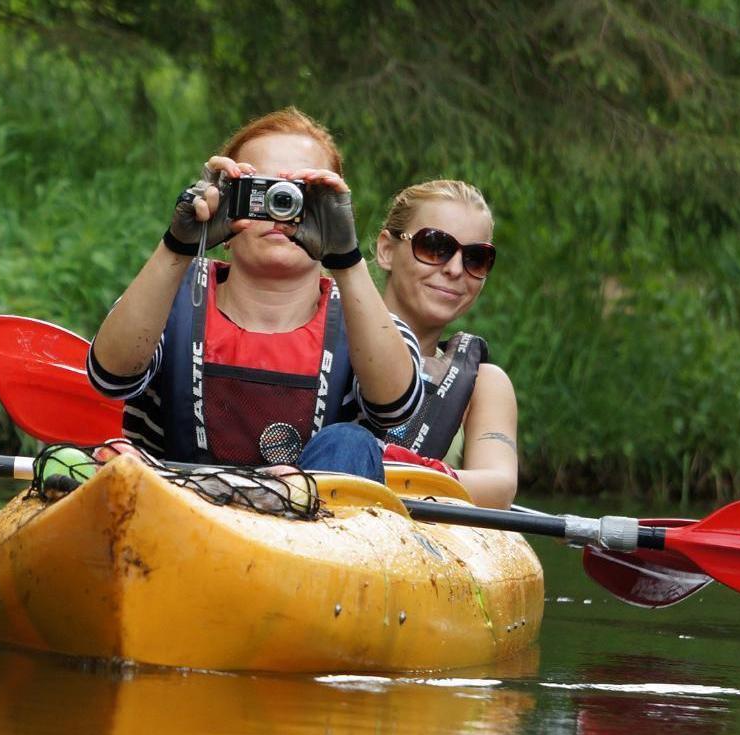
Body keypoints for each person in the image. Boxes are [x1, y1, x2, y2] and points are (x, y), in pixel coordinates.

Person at [86, 108, 422, 482]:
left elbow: (395, 409)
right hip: (178, 519)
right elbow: (110, 378)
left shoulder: (369, 322)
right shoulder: (170, 295)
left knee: (350, 441)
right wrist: (179, 245)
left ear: (334, 211)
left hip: (316, 533)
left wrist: (345, 257)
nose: (280, 211)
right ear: (228, 201)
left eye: (301, 196)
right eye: (261, 191)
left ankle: (285, 502)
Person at [372, 180, 518, 508]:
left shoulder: (485, 386)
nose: (454, 269)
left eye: (476, 258)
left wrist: (379, 467)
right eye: (435, 247)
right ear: (386, 250)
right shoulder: (323, 342)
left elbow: (498, 487)